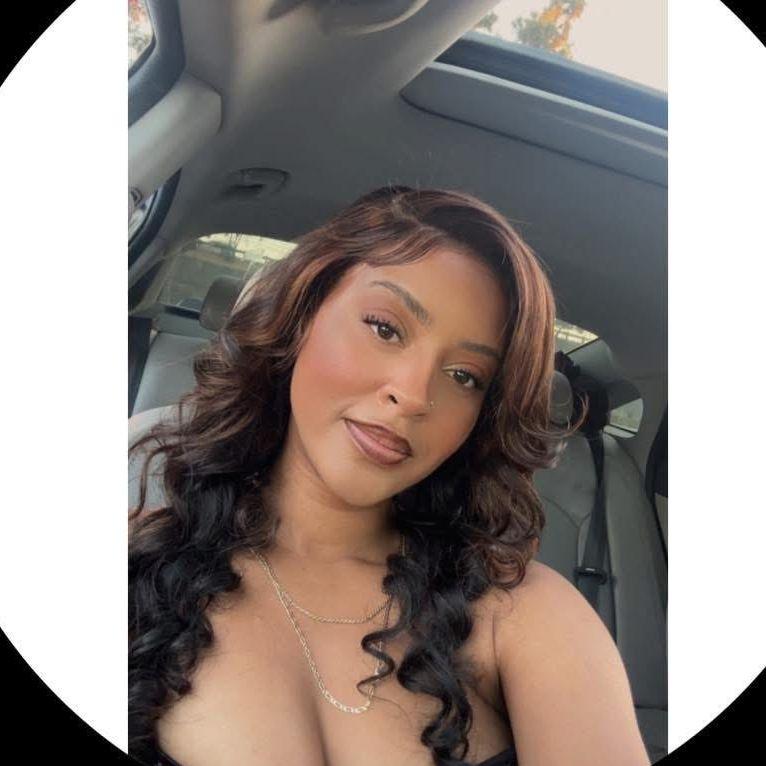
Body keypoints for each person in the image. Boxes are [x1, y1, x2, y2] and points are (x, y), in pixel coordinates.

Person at [128, 187, 650, 766]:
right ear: (301, 316)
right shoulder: (133, 565)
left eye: (465, 375)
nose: (415, 394)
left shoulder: (525, 615)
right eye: (384, 328)